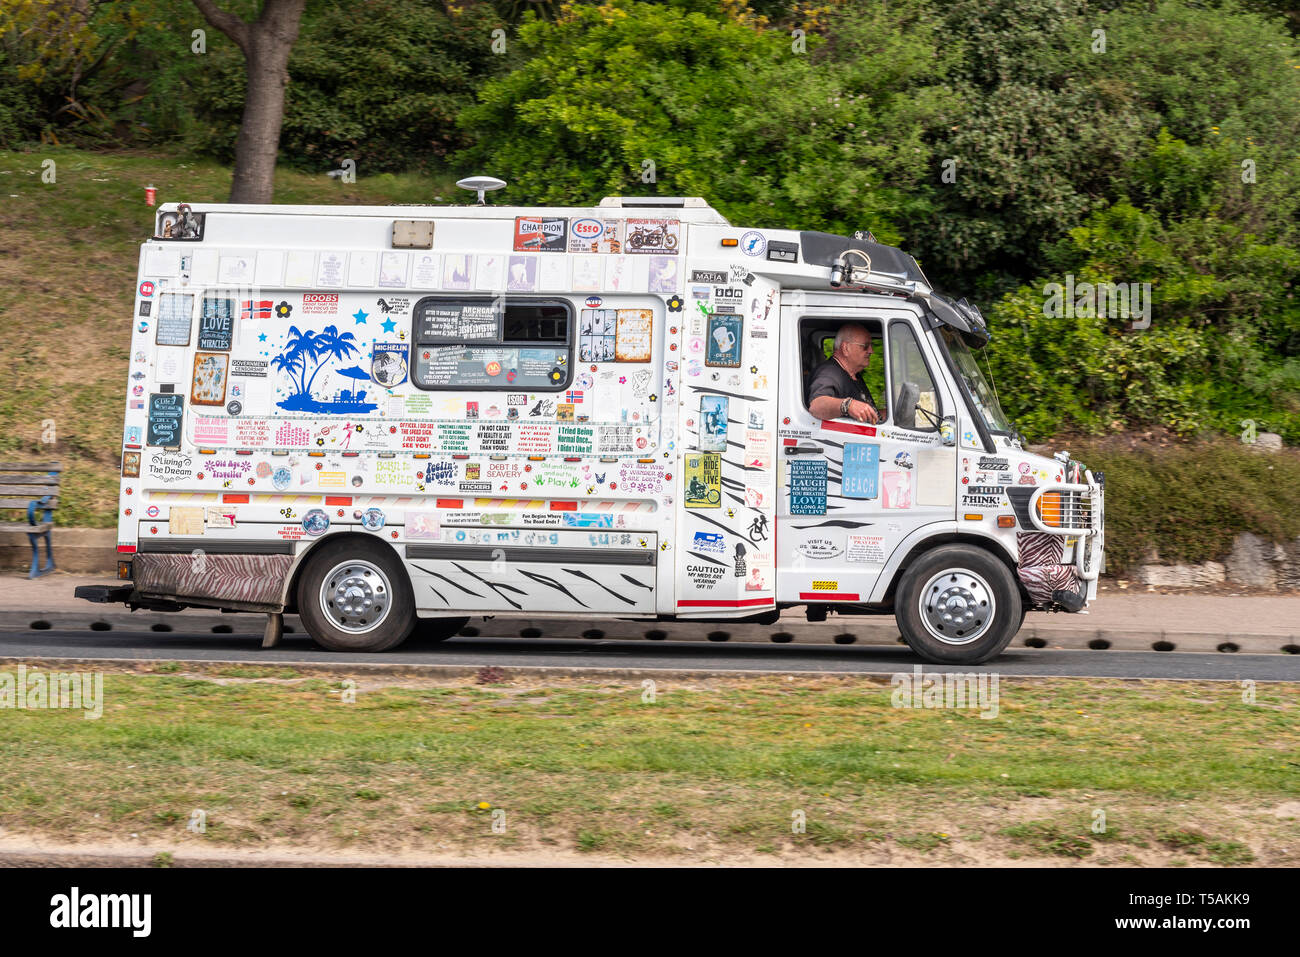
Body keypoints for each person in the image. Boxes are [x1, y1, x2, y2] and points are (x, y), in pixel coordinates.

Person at [808, 323, 882, 423]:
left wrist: (884, 415)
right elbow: (816, 406)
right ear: (846, 348)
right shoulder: (830, 373)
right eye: (865, 346)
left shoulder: (853, 374)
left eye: (871, 346)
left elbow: (863, 413)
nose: (871, 351)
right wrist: (848, 405)